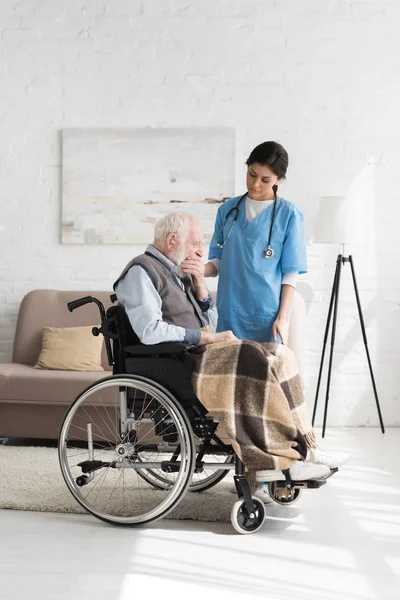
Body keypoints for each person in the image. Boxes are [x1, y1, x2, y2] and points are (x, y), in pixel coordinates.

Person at [114, 213, 347, 503]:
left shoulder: (179, 273)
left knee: (280, 354)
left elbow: (211, 319)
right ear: (173, 240)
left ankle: (306, 448)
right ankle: (275, 460)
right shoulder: (141, 271)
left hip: (198, 356)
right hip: (178, 363)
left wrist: (200, 284)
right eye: (196, 243)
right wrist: (209, 338)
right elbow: (150, 331)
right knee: (252, 356)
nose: (201, 251)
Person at [204, 141, 306, 345]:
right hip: (230, 312)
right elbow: (217, 261)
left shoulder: (289, 215)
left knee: (264, 375)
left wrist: (283, 319)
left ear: (279, 179)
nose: (255, 184)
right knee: (226, 374)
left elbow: (290, 274)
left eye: (265, 179)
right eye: (252, 174)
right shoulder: (227, 211)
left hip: (266, 317)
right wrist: (192, 270)